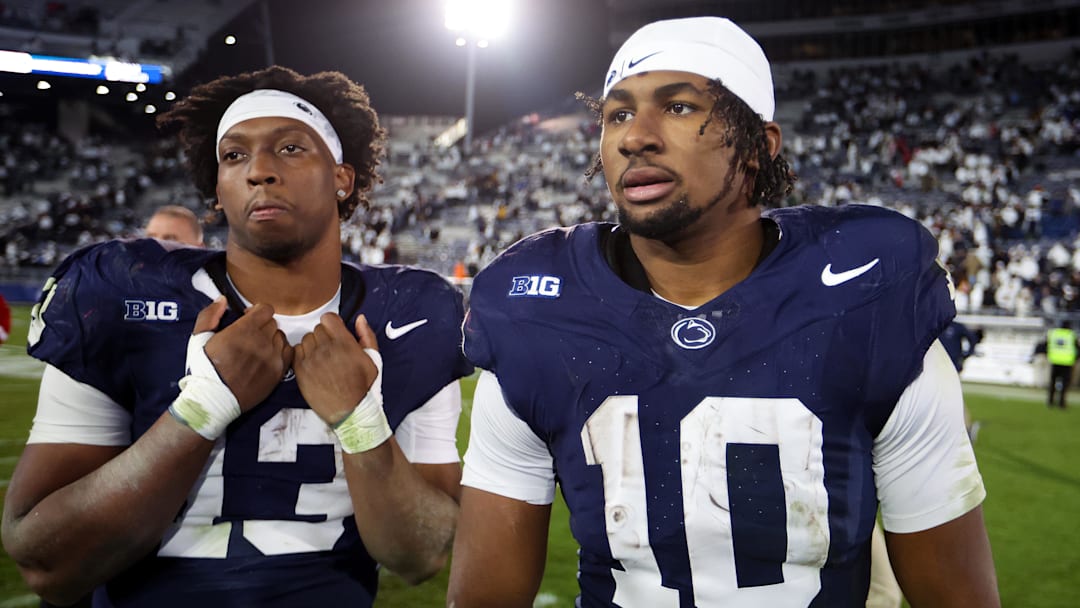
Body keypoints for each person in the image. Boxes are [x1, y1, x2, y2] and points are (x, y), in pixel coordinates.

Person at [447, 16, 999, 608]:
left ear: (761, 145)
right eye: (618, 115)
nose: (636, 137)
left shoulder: (863, 296)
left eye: (679, 107)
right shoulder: (539, 313)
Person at [1, 66, 472, 607]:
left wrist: (360, 421)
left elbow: (422, 555)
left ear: (342, 178)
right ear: (217, 190)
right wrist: (201, 409)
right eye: (234, 155)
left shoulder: (411, 312)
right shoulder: (116, 292)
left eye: (290, 148)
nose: (259, 171)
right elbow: (46, 562)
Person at [1041, 319, 1078, 409]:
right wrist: (1076, 359)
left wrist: (1047, 355)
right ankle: (1061, 403)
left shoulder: (1053, 333)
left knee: (1052, 383)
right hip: (1067, 362)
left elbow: (1045, 345)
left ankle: (1050, 402)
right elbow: (1077, 348)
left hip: (1054, 361)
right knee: (1064, 384)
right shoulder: (1071, 335)